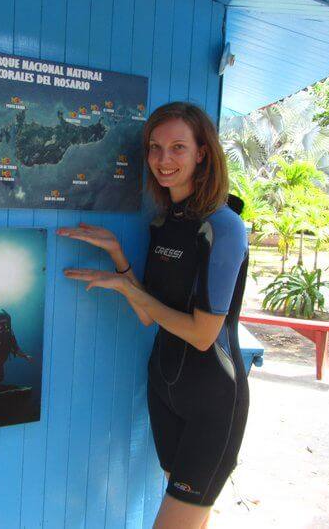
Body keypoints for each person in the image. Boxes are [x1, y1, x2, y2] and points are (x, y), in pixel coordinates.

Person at [57, 101, 249, 528]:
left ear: (202, 152)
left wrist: (127, 286)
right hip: (164, 390)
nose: (164, 160)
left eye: (178, 147)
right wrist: (117, 255)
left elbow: (202, 334)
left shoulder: (223, 227)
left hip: (211, 402)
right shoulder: (164, 224)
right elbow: (150, 316)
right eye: (155, 148)